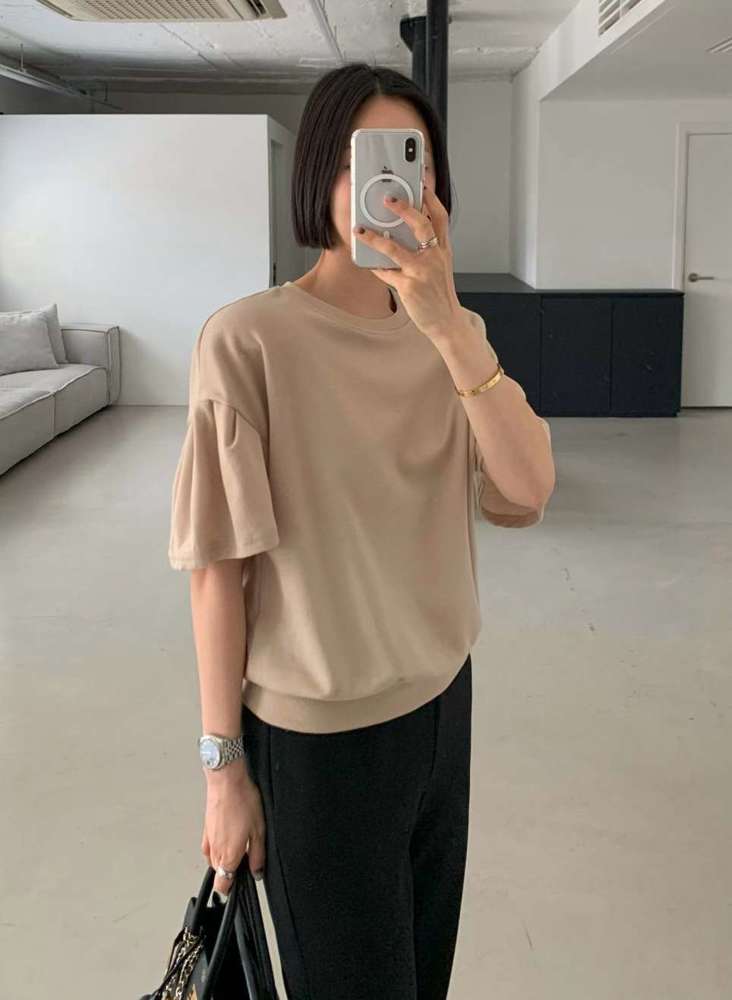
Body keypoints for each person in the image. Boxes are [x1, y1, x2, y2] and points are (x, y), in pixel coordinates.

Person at [168, 62, 555, 1000]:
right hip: (318, 743)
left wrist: (449, 326)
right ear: (318, 174)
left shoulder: (453, 335)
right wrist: (223, 772)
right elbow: (218, 570)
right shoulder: (248, 339)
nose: (384, 186)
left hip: (442, 707)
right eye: (358, 161)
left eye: (407, 161)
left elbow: (529, 487)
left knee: (423, 974)